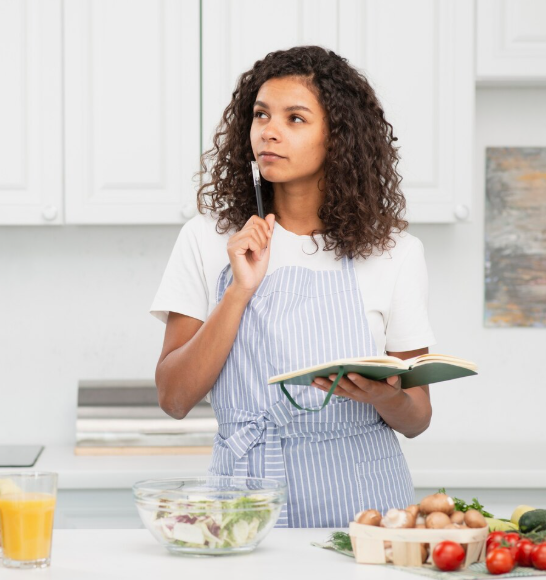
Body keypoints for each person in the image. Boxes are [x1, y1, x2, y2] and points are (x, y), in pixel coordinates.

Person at [150, 46, 436, 528]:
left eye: (295, 118)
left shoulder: (394, 252)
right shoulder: (209, 237)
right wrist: (238, 291)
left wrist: (381, 396)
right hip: (246, 504)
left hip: (363, 507)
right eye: (261, 115)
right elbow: (174, 399)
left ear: (339, 138)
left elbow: (418, 417)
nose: (269, 131)